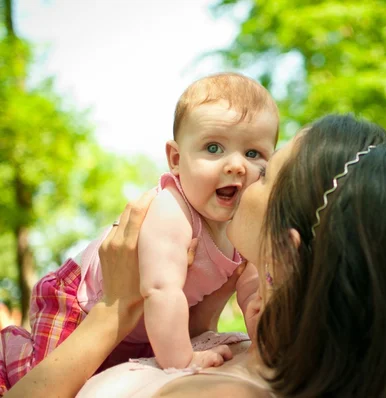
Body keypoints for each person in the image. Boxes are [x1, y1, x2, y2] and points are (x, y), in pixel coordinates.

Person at [4, 114, 386, 398]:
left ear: (285, 251)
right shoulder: (271, 353)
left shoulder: (226, 395)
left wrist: (113, 310)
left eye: (264, 169)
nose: (241, 173)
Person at [0, 72, 280, 393]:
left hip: (143, 326)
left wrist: (264, 333)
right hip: (80, 305)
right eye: (214, 148)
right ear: (176, 159)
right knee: (49, 379)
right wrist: (183, 360)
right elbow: (162, 290)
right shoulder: (172, 210)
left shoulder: (247, 223)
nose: (236, 165)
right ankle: (12, 356)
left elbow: (253, 289)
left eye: (253, 153)